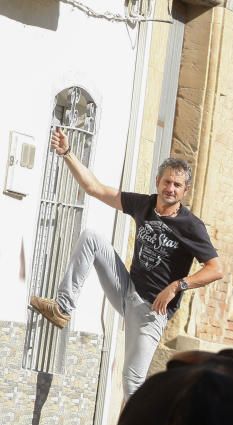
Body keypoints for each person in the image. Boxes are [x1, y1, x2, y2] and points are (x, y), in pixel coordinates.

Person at [29, 129, 222, 399]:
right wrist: (67, 153)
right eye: (167, 182)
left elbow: (215, 269)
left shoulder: (191, 226)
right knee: (92, 238)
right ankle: (62, 307)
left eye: (177, 185)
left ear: (185, 190)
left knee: (132, 382)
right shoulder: (143, 204)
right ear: (158, 181)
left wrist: (178, 286)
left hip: (152, 311)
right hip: (126, 290)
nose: (171, 189)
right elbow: (94, 188)